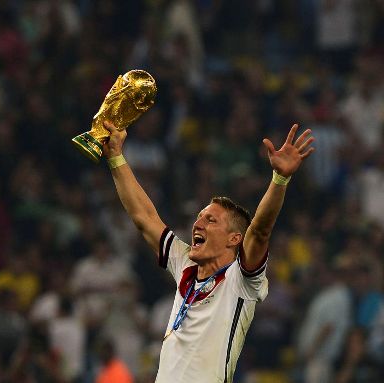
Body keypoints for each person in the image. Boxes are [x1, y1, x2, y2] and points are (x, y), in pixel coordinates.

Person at [102, 120, 315, 382]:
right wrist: (115, 157)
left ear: (234, 238)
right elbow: (143, 216)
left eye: (211, 220)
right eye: (200, 217)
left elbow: (259, 231)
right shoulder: (185, 264)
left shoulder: (241, 281)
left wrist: (279, 179)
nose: (197, 223)